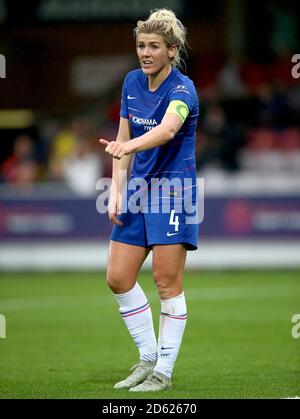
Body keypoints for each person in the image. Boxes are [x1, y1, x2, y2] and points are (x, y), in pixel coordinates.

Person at [99, 8, 199, 392]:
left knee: (165, 282)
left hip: (174, 192)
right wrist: (117, 190)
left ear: (171, 51)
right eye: (141, 45)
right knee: (118, 277)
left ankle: (164, 372)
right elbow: (121, 141)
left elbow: (167, 130)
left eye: (154, 46)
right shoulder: (130, 82)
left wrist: (126, 146)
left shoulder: (182, 90)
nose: (145, 52)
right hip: (139, 190)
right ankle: (147, 357)